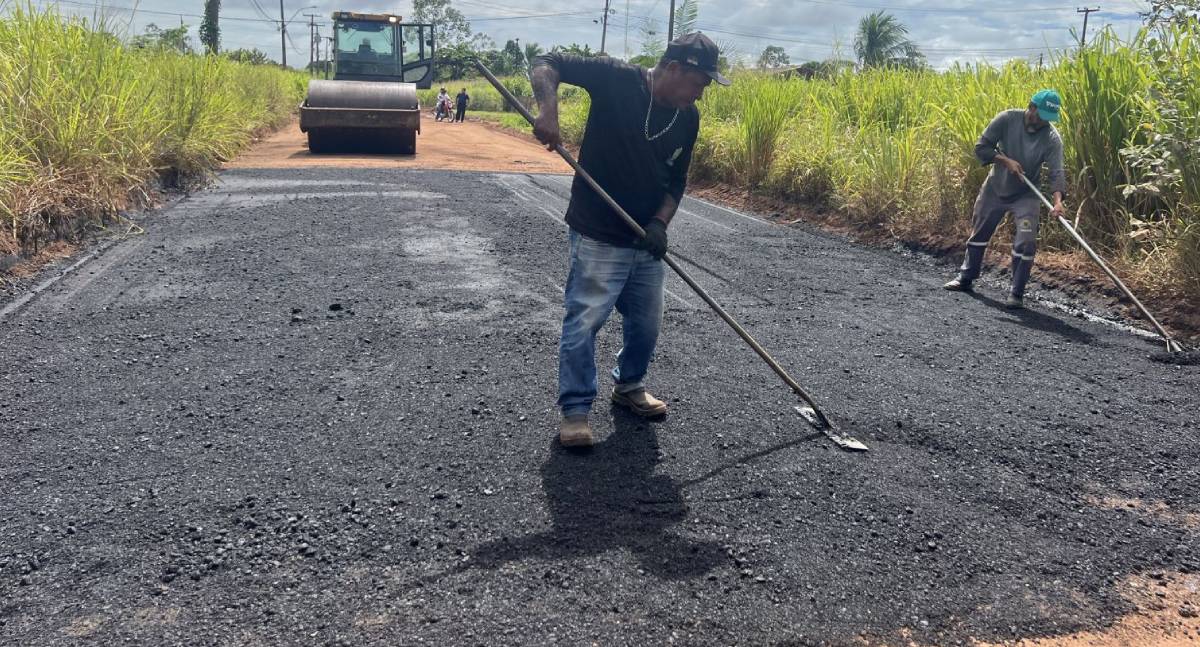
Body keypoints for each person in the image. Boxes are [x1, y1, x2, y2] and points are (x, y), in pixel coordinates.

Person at [530, 33, 729, 447]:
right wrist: (548, 110)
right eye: (698, 83)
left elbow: (677, 181)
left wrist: (660, 222)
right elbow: (547, 60)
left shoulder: (687, 117)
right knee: (584, 321)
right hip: (599, 232)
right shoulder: (616, 78)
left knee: (646, 324)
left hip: (644, 241)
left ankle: (629, 386)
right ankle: (576, 410)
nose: (700, 93)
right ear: (674, 68)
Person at [944, 89, 1067, 309]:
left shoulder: (1051, 138)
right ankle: (966, 278)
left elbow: (1056, 172)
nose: (1041, 123)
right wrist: (1004, 161)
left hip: (1026, 195)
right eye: (1039, 116)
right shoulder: (1007, 119)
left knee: (1027, 240)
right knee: (980, 232)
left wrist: (1058, 202)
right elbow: (982, 148)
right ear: (1031, 106)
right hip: (995, 188)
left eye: (1047, 119)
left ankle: (1016, 293)